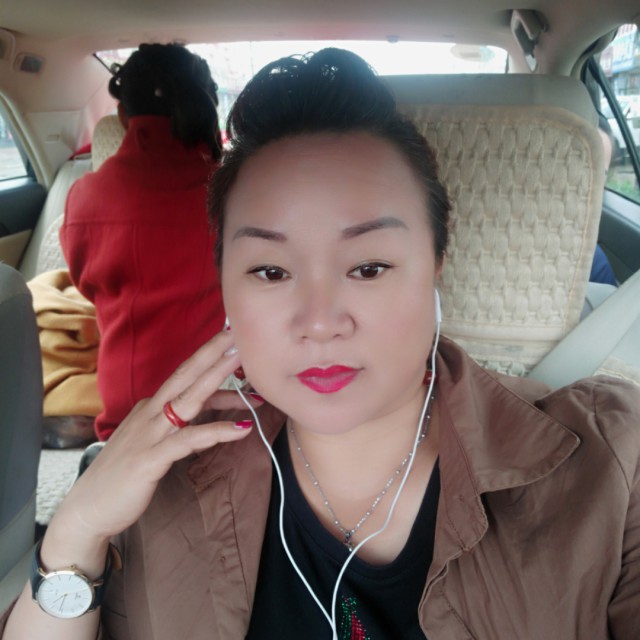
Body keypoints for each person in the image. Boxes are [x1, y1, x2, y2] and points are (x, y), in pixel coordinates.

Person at [3, 48, 639, 639]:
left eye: (368, 267)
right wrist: (76, 530)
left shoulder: (612, 466)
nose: (319, 322)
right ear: (224, 285)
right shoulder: (153, 483)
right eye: (270, 271)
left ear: (436, 263)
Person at [59, 43, 225, 440]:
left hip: (123, 415)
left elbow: (86, 285)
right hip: (214, 403)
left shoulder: (86, 196)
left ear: (122, 114)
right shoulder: (234, 192)